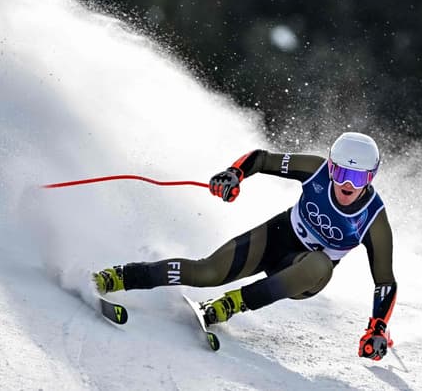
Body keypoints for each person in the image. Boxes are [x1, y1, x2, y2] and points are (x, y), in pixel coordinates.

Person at [93, 132, 397, 361]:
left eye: (357, 178)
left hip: (304, 274)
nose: (347, 185)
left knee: (319, 264)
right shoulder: (315, 169)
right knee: (207, 272)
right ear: (330, 167)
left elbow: (385, 281)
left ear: (370, 179)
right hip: (277, 235)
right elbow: (262, 159)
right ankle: (119, 276)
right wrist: (234, 173)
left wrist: (377, 327)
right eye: (341, 173)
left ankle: (230, 304)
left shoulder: (373, 219)